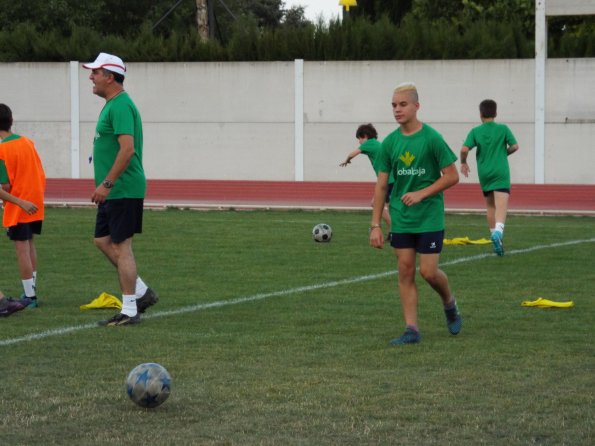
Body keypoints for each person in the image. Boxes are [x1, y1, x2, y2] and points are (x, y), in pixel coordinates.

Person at [369, 82, 462, 345]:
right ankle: (412, 329)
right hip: (401, 218)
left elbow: (452, 176)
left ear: (416, 106)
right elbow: (381, 185)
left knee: (429, 272)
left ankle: (449, 303)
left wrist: (422, 193)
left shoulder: (431, 138)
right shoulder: (390, 143)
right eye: (394, 105)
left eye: (403, 104)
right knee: (405, 271)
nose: (397, 110)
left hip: (429, 216)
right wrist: (375, 224)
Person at [83, 52, 158, 326]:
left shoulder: (120, 106)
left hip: (122, 188)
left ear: (110, 76)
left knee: (122, 246)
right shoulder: (112, 105)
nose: (91, 77)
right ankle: (140, 292)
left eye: (95, 72)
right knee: (102, 240)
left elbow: (127, 150)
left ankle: (129, 310)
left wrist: (107, 183)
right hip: (115, 190)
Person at [0, 103, 46, 309]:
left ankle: (29, 297)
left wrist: (17, 200)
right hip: (35, 201)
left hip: (20, 204)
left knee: (21, 249)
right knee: (29, 245)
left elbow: (5, 185)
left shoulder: (2, 149)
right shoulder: (27, 142)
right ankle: (32, 290)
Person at [460, 99, 519, 256]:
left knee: (490, 206)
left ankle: (495, 241)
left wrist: (463, 162)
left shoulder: (475, 131)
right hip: (500, 171)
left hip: (484, 172)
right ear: (496, 113)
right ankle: (498, 233)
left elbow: (464, 149)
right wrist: (504, 153)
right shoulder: (503, 129)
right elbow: (515, 146)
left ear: (481, 114)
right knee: (501, 206)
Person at [340, 123, 393, 230]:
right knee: (390, 206)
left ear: (365, 136)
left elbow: (353, 153)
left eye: (359, 138)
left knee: (376, 204)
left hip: (387, 179)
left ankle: (392, 229)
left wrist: (347, 160)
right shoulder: (376, 143)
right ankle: (393, 230)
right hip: (391, 178)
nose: (359, 142)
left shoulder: (368, 143)